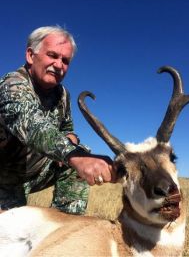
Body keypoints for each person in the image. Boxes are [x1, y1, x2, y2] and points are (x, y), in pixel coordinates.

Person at [0, 26, 116, 214]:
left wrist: (71, 139)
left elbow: (67, 128)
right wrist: (72, 156)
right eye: (52, 55)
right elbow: (32, 126)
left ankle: (64, 229)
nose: (59, 64)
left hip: (32, 174)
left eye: (65, 60)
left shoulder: (62, 94)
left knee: (81, 152)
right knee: (8, 234)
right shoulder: (12, 85)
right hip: (3, 180)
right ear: (31, 55)